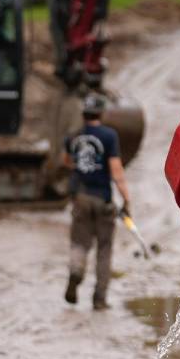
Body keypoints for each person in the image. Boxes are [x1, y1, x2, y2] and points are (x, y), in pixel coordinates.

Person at [61, 93, 131, 309]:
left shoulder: (73, 137)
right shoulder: (109, 136)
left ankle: (75, 272)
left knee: (80, 243)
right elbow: (116, 171)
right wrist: (127, 199)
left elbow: (66, 162)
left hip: (80, 198)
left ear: (84, 113)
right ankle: (99, 299)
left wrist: (82, 169)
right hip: (103, 199)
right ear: (101, 113)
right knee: (104, 248)